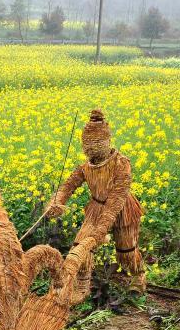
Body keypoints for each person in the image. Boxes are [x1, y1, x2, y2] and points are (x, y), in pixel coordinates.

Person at [46, 109, 145, 303]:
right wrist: (56, 202)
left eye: (95, 144)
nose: (90, 149)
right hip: (96, 208)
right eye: (87, 145)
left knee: (126, 249)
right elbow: (68, 185)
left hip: (123, 209)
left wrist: (102, 227)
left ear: (107, 141)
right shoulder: (85, 167)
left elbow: (117, 198)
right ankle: (82, 285)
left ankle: (138, 276)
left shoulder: (121, 163)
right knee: (81, 245)